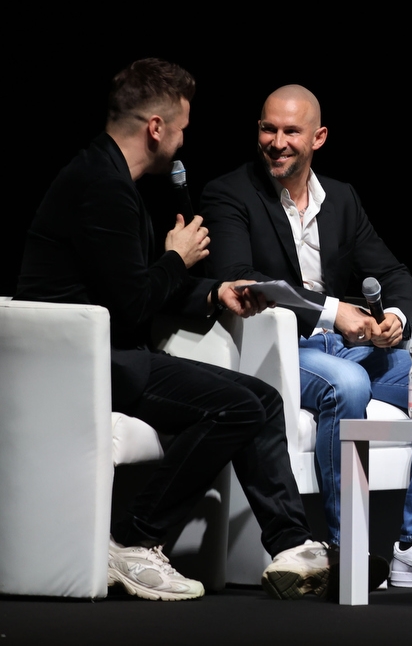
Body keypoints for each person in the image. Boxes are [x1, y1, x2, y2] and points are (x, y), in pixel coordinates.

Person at [14, 59, 342, 602]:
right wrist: (177, 257)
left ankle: (291, 544)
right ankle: (136, 539)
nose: (185, 139)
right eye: (184, 127)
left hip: (107, 353)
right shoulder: (102, 186)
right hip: (78, 363)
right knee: (236, 405)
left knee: (257, 398)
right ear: (156, 128)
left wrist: (214, 292)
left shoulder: (109, 174)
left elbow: (134, 280)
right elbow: (135, 300)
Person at [201, 85, 412, 589]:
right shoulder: (230, 193)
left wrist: (394, 315)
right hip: (280, 349)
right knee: (346, 384)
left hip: (347, 346)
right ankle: (345, 549)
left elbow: (394, 272)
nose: (277, 141)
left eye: (291, 131)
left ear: (318, 137)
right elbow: (243, 282)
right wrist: (334, 313)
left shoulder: (341, 198)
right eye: (268, 128)